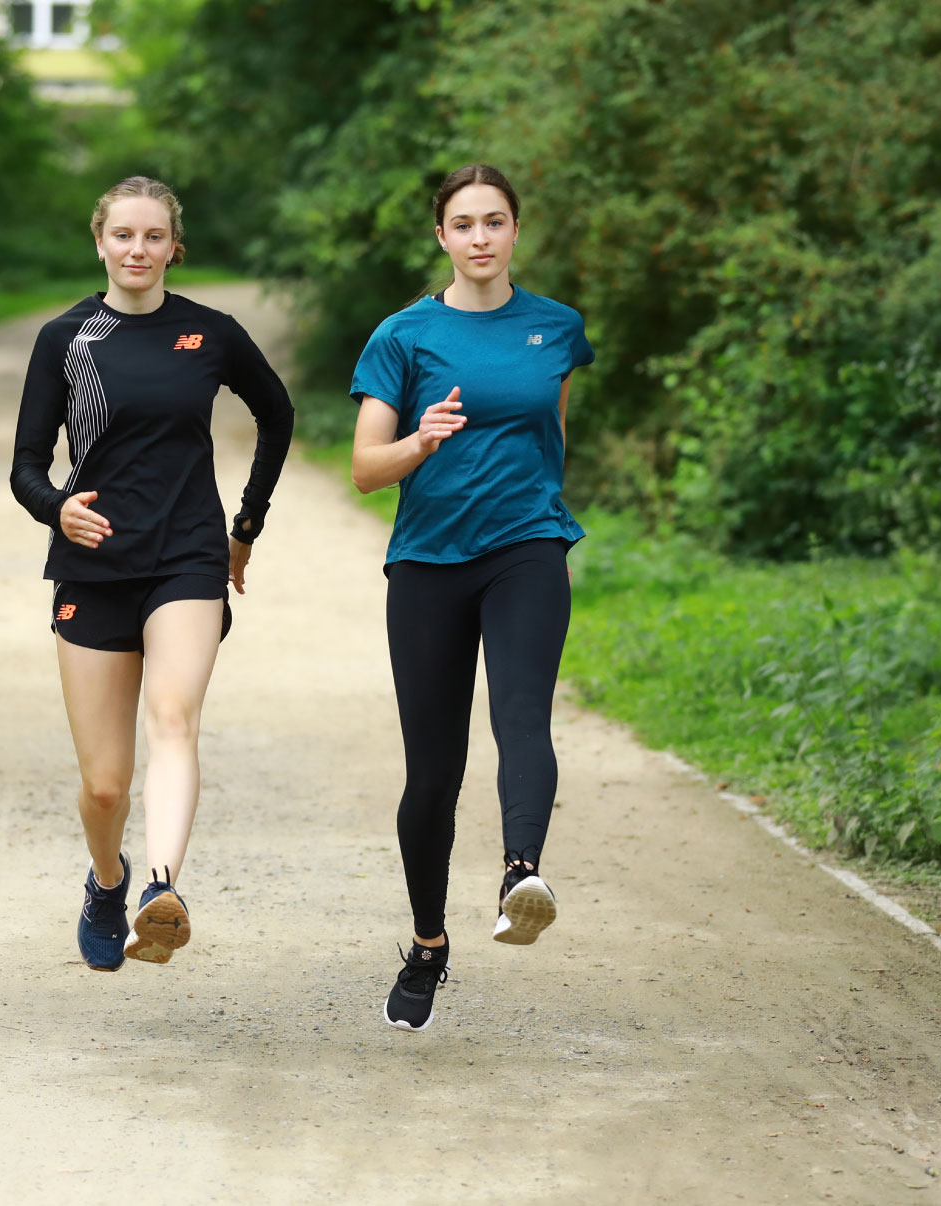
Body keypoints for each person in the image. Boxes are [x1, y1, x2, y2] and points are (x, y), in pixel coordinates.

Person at [11, 176, 295, 970]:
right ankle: (110, 879)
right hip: (94, 568)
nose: (138, 251)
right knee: (105, 784)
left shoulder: (211, 333)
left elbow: (277, 414)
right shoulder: (66, 338)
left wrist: (246, 526)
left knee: (174, 719)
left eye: (154, 237)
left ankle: (160, 890)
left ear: (175, 247)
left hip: (188, 557)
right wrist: (56, 508)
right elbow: (27, 466)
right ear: (99, 241)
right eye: (124, 236)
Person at [349, 163, 594, 1031]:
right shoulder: (404, 336)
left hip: (528, 547)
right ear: (442, 237)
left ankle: (520, 873)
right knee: (434, 771)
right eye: (464, 224)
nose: (481, 237)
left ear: (516, 232)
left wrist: (544, 522)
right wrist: (421, 439)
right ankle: (427, 945)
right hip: (427, 562)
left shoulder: (556, 330)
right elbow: (365, 469)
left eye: (496, 221)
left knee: (523, 716)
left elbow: (552, 437)